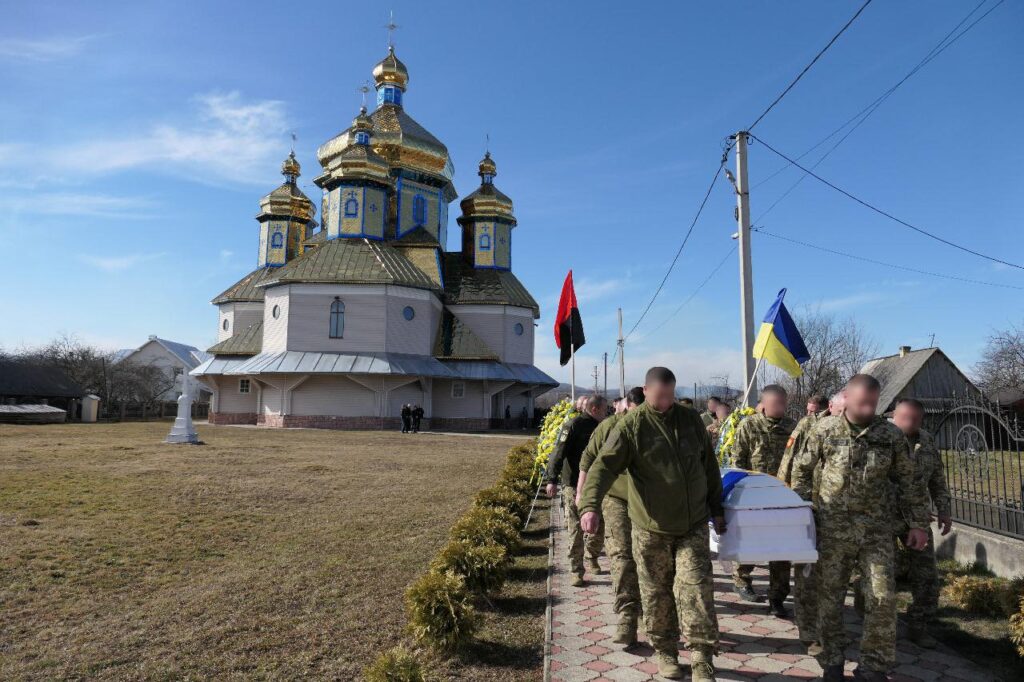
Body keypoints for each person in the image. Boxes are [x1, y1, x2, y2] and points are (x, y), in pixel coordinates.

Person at [579, 367, 723, 681]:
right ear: (645, 391)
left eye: (670, 397)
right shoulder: (632, 426)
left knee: (696, 589)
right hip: (651, 527)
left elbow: (709, 466)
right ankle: (666, 653)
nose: (666, 403)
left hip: (693, 523)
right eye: (660, 397)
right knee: (657, 594)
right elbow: (602, 467)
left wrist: (717, 508)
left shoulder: (689, 421)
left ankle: (701, 658)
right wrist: (589, 506)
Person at [792, 374, 930, 682]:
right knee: (829, 597)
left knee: (882, 596)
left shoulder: (890, 435)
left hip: (875, 530)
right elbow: (801, 472)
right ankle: (832, 660)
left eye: (874, 403)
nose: (868, 409)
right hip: (832, 529)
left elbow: (911, 480)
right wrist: (804, 513)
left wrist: (919, 524)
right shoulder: (824, 429)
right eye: (862, 402)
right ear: (847, 399)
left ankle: (874, 666)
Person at [576, 386, 647, 646]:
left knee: (648, 558)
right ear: (627, 405)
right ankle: (627, 616)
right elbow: (588, 459)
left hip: (650, 502)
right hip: (616, 497)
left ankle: (650, 615)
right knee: (621, 555)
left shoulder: (656, 425)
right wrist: (584, 497)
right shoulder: (609, 427)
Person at [777, 391, 838, 651]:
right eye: (809, 410)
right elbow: (793, 461)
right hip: (809, 508)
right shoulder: (809, 425)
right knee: (807, 571)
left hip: (843, 519)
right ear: (833, 407)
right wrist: (789, 497)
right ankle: (808, 630)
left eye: (815, 409)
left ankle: (831, 628)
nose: (811, 413)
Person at [729, 384, 798, 614]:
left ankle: (777, 598)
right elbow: (738, 460)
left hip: (782, 496)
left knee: (781, 549)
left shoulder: (792, 427)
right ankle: (742, 579)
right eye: (776, 403)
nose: (781, 407)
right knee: (751, 544)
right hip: (754, 494)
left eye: (784, 402)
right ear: (764, 404)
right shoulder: (749, 425)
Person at [891, 398, 953, 648]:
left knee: (927, 575)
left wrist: (944, 511)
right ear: (894, 416)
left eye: (916, 419)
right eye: (905, 417)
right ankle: (873, 623)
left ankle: (919, 625)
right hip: (883, 516)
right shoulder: (881, 439)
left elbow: (937, 478)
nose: (910, 423)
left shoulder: (926, 441)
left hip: (917, 517)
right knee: (880, 575)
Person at [545, 395, 608, 586]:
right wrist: (551, 479)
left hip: (598, 484)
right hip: (573, 483)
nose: (607, 413)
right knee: (575, 527)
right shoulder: (573, 425)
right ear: (595, 409)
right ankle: (576, 570)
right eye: (605, 409)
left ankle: (592, 556)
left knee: (600, 526)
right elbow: (559, 451)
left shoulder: (605, 427)